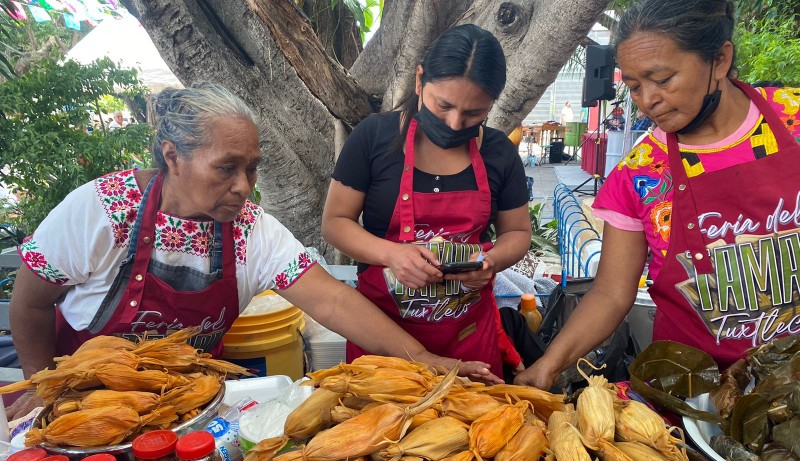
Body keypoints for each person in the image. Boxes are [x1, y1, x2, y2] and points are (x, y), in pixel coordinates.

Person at [6, 83, 497, 418]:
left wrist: (422, 357)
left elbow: (332, 300)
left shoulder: (249, 230)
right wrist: (41, 386)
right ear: (173, 156)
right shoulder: (104, 209)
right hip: (86, 408)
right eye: (227, 168)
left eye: (253, 169)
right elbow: (30, 301)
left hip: (187, 406)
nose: (245, 187)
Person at [515, 0, 800, 390]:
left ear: (719, 60)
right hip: (696, 394)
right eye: (633, 86)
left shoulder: (793, 121)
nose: (647, 100)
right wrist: (548, 365)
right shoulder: (640, 174)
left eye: (662, 79)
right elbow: (612, 294)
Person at [321, 24, 532, 381]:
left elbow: (519, 233)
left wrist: (490, 260)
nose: (454, 122)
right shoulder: (373, 138)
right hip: (382, 343)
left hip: (467, 340)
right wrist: (393, 255)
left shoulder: (499, 154)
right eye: (443, 105)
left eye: (474, 113)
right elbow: (335, 222)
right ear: (420, 81)